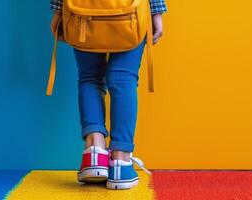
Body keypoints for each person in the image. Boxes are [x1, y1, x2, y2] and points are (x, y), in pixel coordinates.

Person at [49, 0, 167, 190]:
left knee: (90, 77)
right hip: (131, 11)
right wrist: (156, 11)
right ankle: (121, 161)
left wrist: (58, 10)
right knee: (123, 80)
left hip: (82, 11)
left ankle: (93, 150)